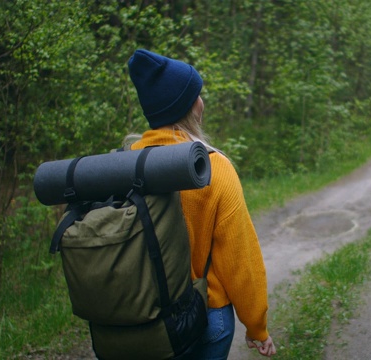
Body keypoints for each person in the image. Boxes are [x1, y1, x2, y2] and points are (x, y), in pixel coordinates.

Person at [127, 49, 276, 359]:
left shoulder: (124, 164)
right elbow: (240, 261)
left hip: (142, 321)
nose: (202, 101)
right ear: (189, 107)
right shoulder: (212, 169)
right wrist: (257, 326)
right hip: (203, 318)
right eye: (198, 94)